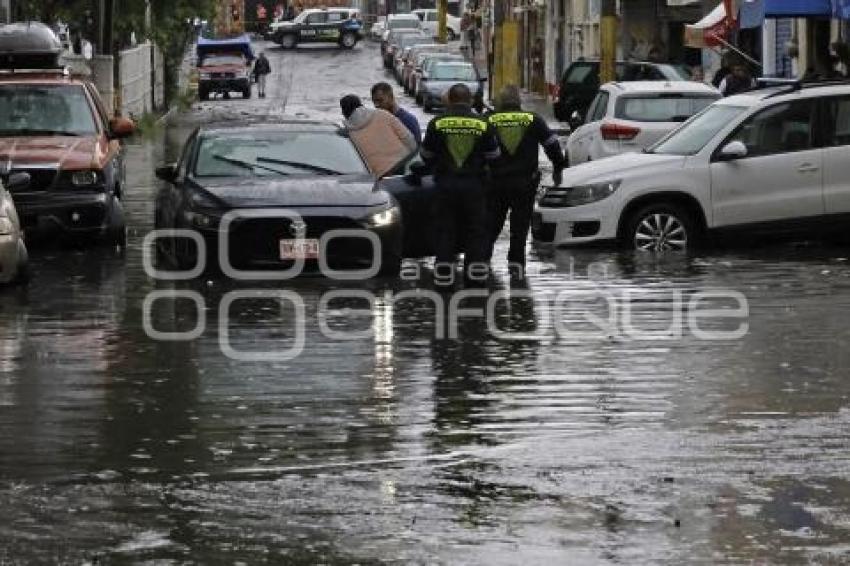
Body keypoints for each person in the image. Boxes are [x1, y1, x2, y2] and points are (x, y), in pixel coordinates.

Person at [421, 83, 501, 287]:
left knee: (445, 231)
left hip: (445, 186)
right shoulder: (483, 123)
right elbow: (494, 156)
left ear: (450, 100)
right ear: (471, 100)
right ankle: (474, 279)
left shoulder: (437, 123)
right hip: (474, 186)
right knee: (476, 232)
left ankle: (444, 279)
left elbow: (426, 155)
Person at [485, 85, 566, 278]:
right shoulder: (533, 120)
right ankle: (516, 269)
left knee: (491, 226)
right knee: (519, 229)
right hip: (524, 184)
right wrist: (558, 167)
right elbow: (552, 145)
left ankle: (481, 264)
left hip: (495, 183)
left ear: (500, 103)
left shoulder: (488, 121)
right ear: (519, 102)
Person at [340, 94, 417, 177]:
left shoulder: (348, 134)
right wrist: (412, 161)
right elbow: (408, 138)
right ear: (361, 105)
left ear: (344, 112)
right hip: (404, 167)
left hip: (380, 177)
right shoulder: (383, 114)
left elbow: (352, 163)